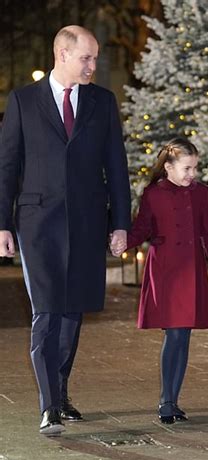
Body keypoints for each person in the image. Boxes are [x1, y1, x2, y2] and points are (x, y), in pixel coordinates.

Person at [0, 26, 131, 436]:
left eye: (94, 58)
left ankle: (59, 393)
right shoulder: (23, 101)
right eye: (86, 58)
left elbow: (117, 166)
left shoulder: (103, 103)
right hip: (38, 225)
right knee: (46, 311)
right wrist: (2, 223)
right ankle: (47, 406)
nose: (93, 65)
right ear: (62, 54)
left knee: (73, 312)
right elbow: (6, 167)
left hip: (89, 223)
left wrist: (121, 223)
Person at [112, 137, 208, 424]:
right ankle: (167, 401)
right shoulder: (153, 194)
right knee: (175, 333)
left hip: (191, 269)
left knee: (183, 335)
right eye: (187, 168)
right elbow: (142, 228)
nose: (192, 175)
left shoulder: (200, 193)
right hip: (165, 270)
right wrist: (123, 241)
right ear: (168, 167)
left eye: (195, 169)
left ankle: (172, 401)